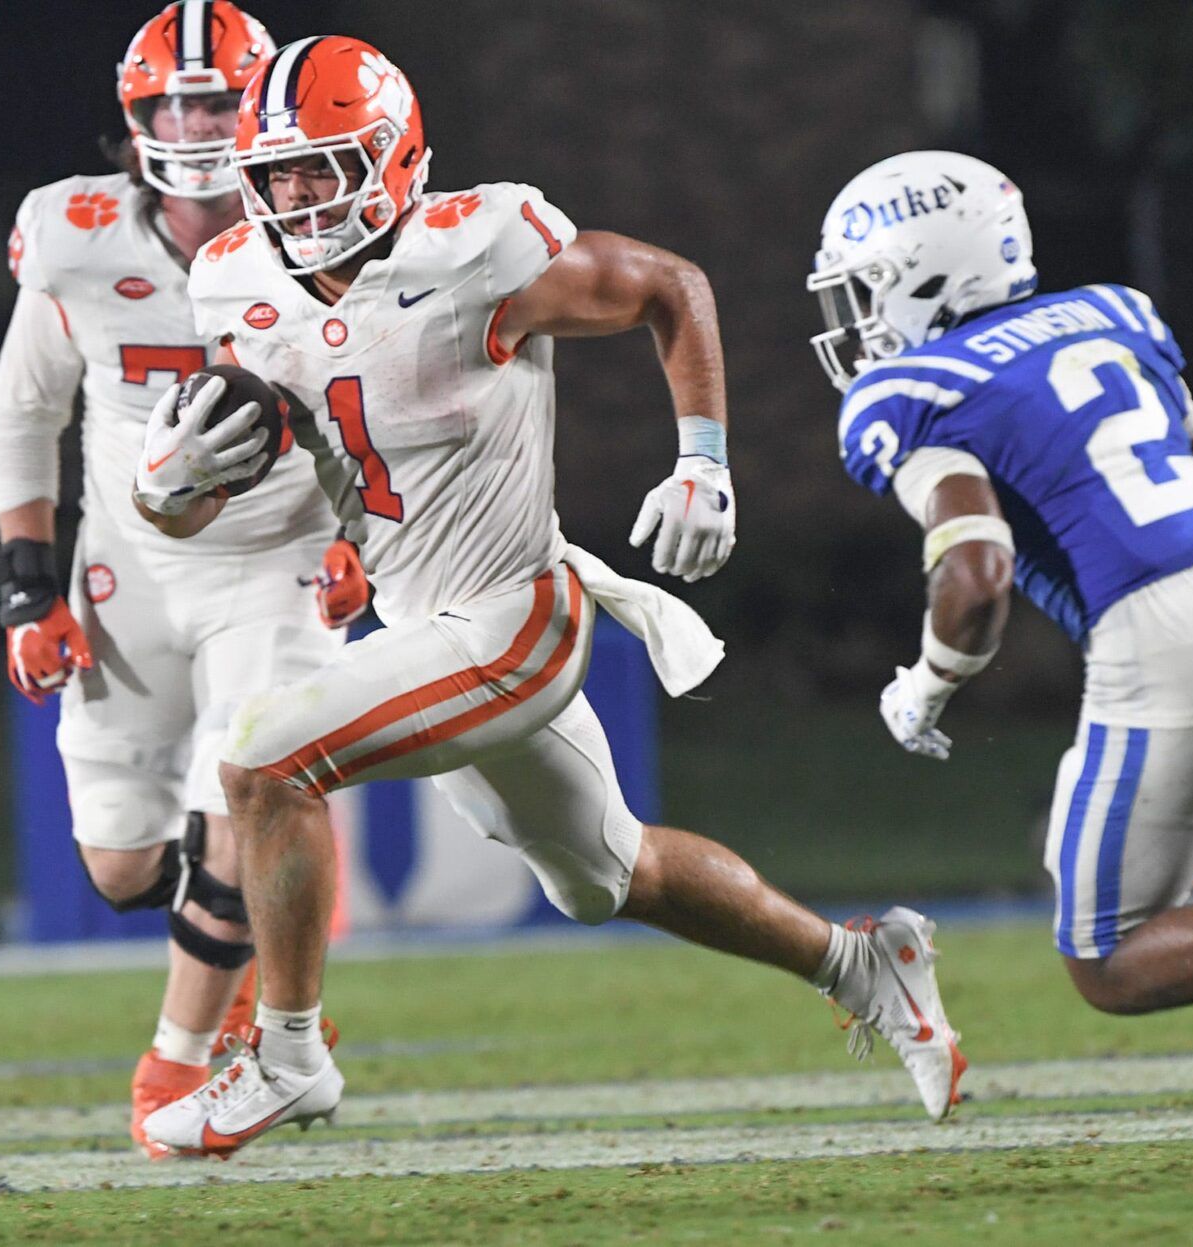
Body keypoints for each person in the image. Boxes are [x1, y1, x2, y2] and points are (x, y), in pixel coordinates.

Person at [130, 36, 967, 1158]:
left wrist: (705, 461)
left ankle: (287, 1054)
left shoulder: (477, 246)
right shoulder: (234, 279)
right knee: (611, 875)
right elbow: (232, 492)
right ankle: (865, 963)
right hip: (420, 620)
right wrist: (162, 491)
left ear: (391, 156)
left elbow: (672, 286)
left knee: (264, 758)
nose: (295, 193)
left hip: (516, 615)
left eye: (321, 166)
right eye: (276, 172)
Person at [0, 2, 357, 1157]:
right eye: (173, 103)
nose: (195, 123)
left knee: (248, 804)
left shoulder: (322, 228)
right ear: (134, 115)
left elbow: (374, 392)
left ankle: (178, 1067)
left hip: (275, 560)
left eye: (214, 100)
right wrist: (25, 582)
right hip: (126, 567)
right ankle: (249, 953)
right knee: (119, 865)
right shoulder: (73, 233)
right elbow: (24, 406)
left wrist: (362, 533)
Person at [809, 150, 1193, 1014]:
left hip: (1161, 637)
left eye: (864, 288)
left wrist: (928, 684)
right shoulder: (1112, 314)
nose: (856, 318)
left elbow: (977, 574)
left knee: (1109, 957)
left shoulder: (913, 388)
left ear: (923, 275)